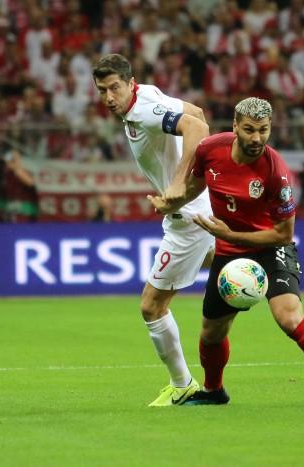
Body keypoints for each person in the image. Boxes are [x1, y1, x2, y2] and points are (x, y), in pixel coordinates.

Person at [148, 97, 304, 409]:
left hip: (270, 247)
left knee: (289, 317)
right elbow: (196, 186)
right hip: (230, 252)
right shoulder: (210, 150)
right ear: (235, 126)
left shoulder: (276, 172)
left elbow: (284, 233)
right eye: (249, 129)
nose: (256, 138)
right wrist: (172, 203)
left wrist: (229, 235)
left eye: (263, 130)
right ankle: (214, 391)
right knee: (211, 333)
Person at [92, 54, 214, 406]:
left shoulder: (145, 110)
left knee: (151, 306)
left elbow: (197, 129)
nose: (109, 97)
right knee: (226, 264)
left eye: (115, 88)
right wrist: (197, 175)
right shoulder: (146, 96)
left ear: (130, 83)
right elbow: (198, 113)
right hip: (198, 207)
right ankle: (268, 263)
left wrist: (179, 183)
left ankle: (182, 384)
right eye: (102, 90)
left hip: (187, 218)